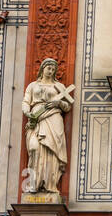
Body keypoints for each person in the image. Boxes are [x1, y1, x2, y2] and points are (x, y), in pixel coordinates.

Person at [23, 58, 74, 195]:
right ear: (42, 69)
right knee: (34, 147)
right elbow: (26, 102)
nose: (50, 71)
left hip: (54, 118)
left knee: (52, 152)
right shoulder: (32, 86)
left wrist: (58, 104)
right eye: (48, 68)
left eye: (53, 69)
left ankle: (50, 184)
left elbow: (67, 106)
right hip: (37, 118)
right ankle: (34, 183)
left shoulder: (59, 87)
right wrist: (27, 112)